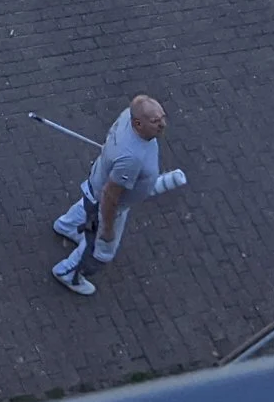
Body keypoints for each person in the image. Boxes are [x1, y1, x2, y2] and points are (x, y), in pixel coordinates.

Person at [51, 94, 188, 297]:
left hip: (95, 182)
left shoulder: (128, 116)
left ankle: (67, 226)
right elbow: (110, 196)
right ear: (138, 123)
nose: (162, 125)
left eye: (162, 118)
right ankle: (69, 273)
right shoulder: (131, 159)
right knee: (101, 250)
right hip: (104, 201)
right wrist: (107, 229)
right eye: (155, 121)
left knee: (86, 205)